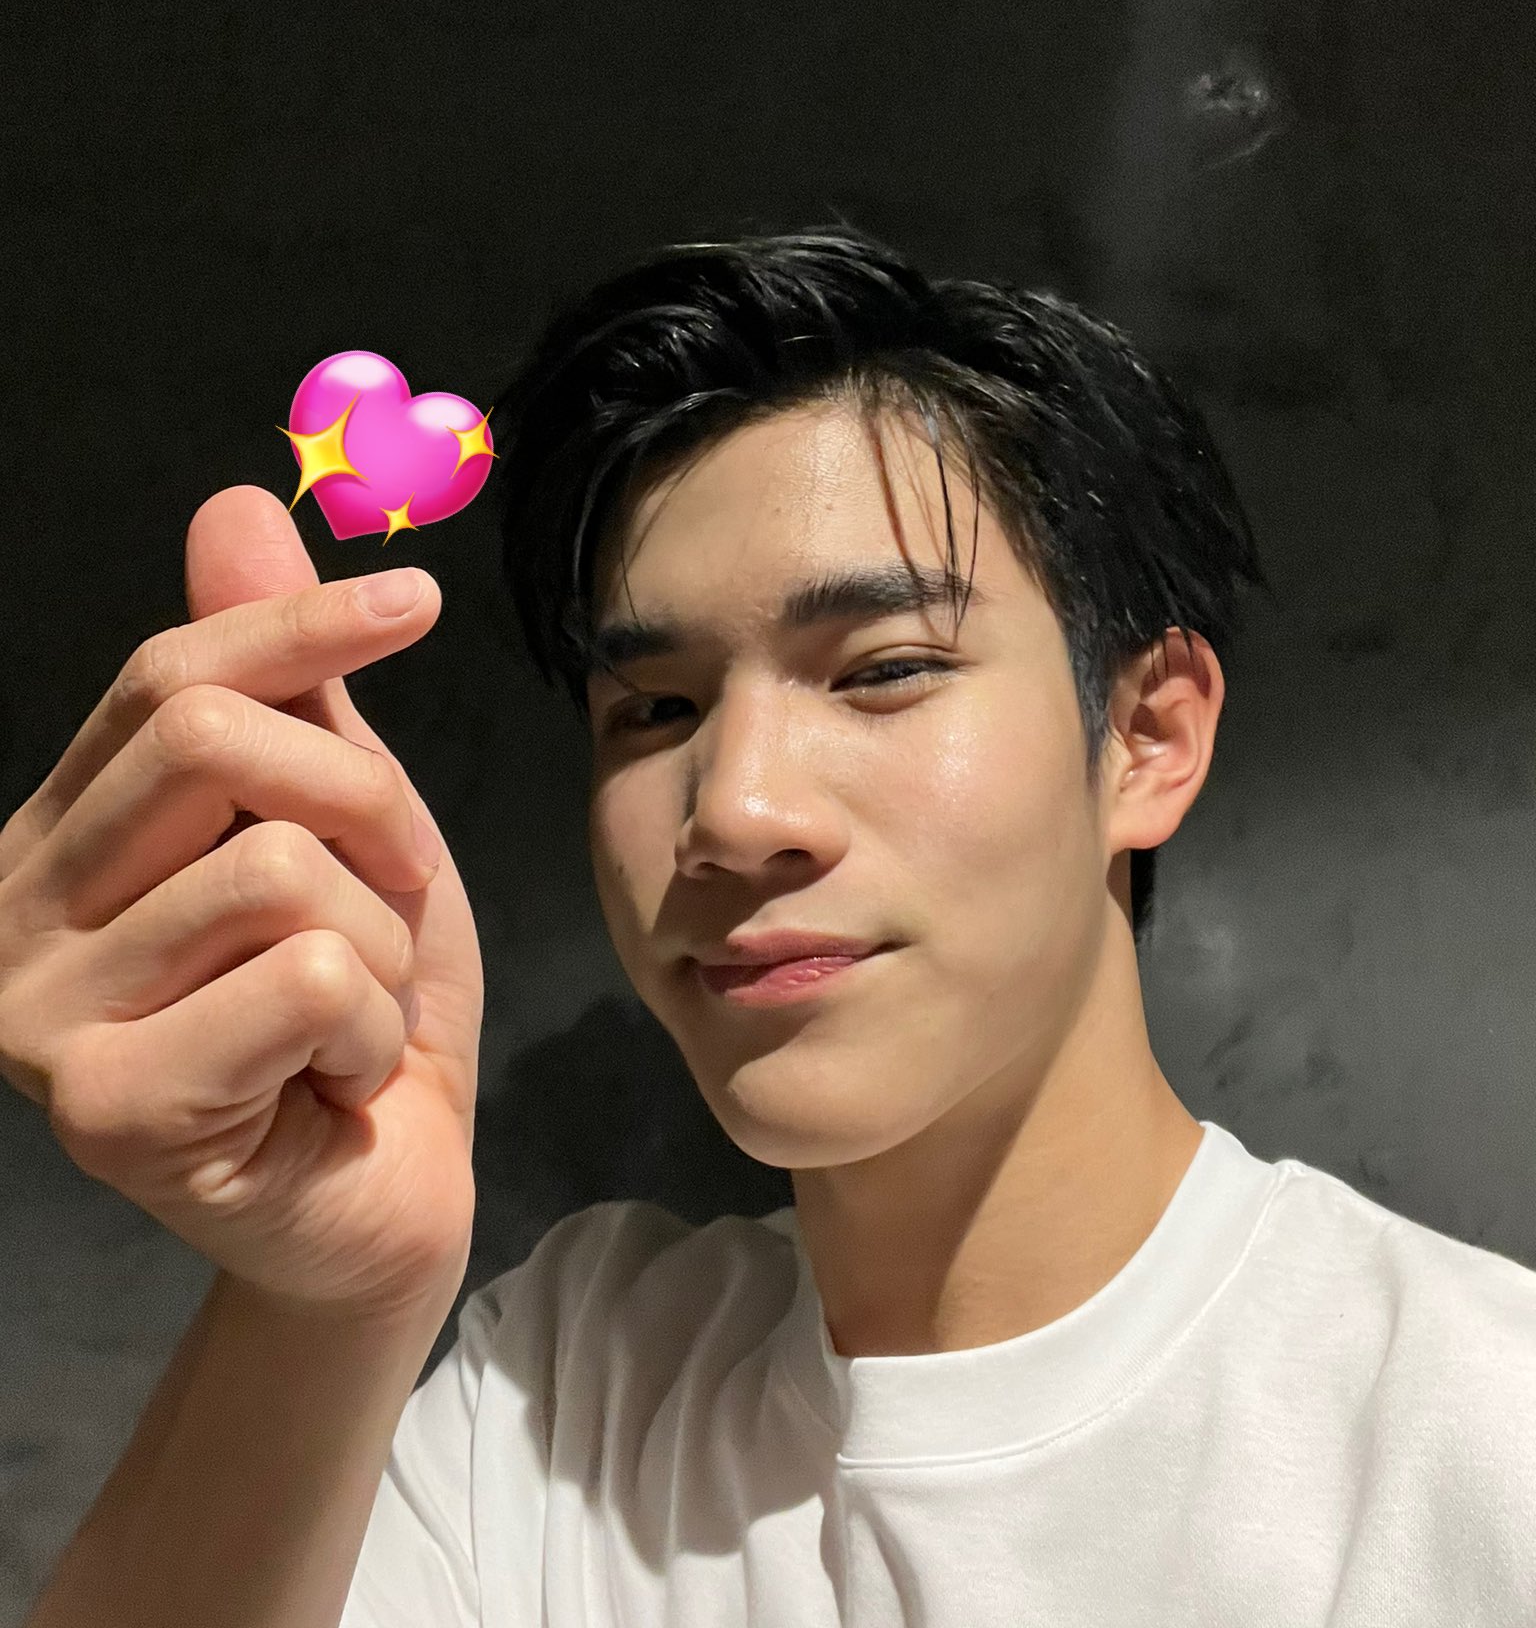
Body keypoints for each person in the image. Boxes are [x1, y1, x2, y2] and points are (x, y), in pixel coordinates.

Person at [12, 224, 1536, 1628]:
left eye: (882, 670)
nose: (734, 810)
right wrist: (324, 1301)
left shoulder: (1473, 1430)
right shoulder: (563, 1397)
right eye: (655, 709)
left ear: (1148, 736)